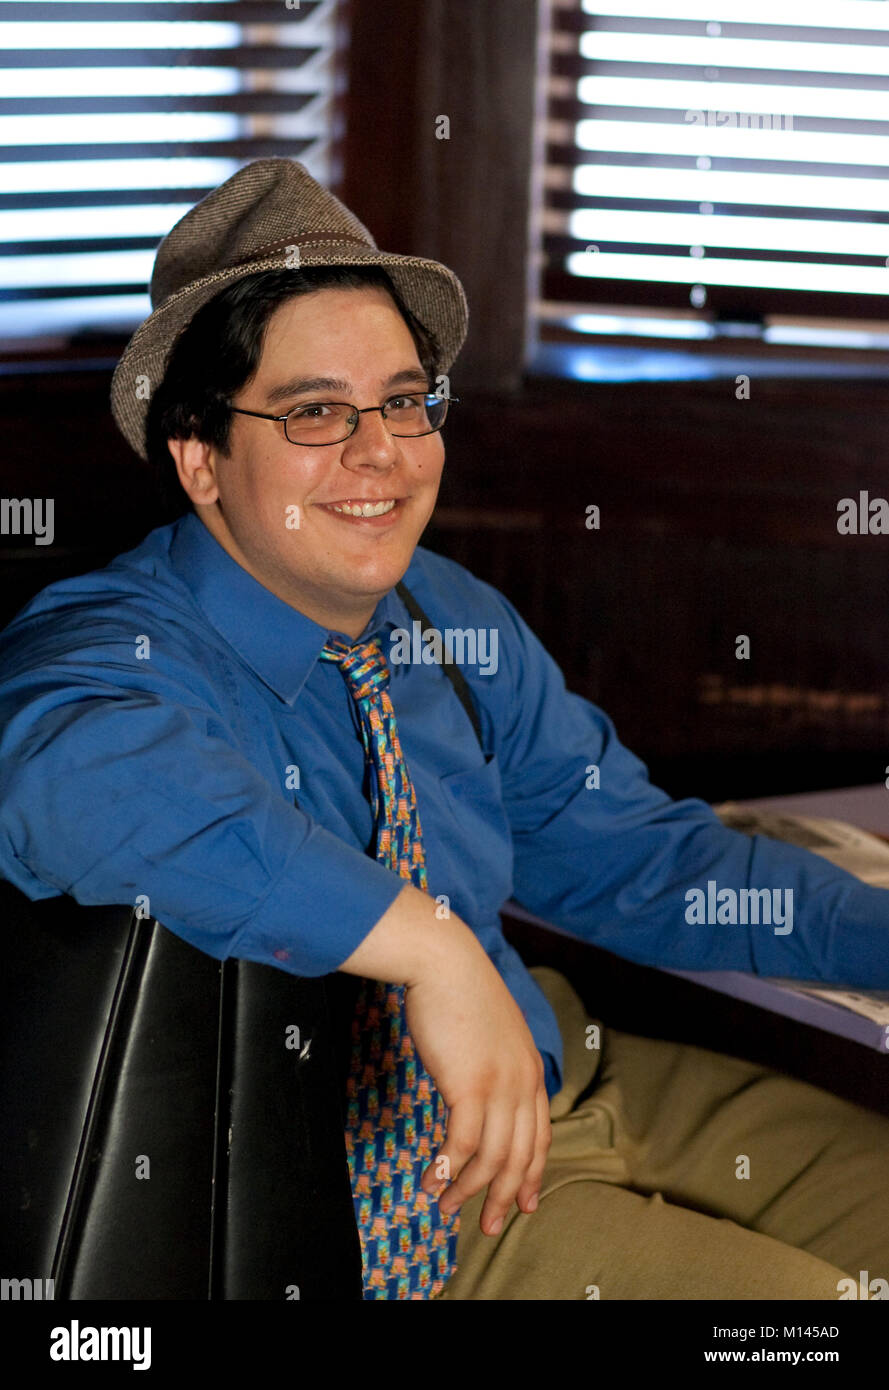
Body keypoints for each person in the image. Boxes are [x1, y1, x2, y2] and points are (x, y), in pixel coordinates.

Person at [0, 158, 887, 1301]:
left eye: (407, 399)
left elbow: (642, 860)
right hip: (373, 1188)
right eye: (315, 410)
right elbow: (69, 771)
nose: (382, 452)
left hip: (565, 1069)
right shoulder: (114, 644)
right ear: (200, 456)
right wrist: (426, 943)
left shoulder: (450, 616)